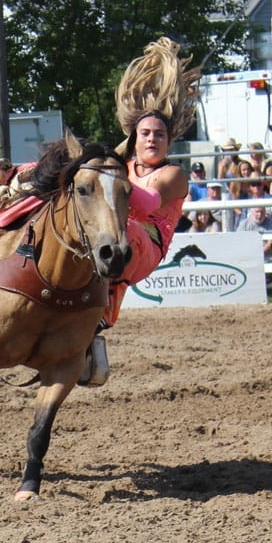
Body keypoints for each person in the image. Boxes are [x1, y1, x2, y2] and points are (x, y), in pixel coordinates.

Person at [93, 38, 200, 381]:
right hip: (116, 233)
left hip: (146, 243)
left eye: (159, 134)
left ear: (169, 141)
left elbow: (145, 202)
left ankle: (99, 315)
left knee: (124, 233)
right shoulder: (120, 166)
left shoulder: (173, 175)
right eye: (146, 133)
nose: (152, 139)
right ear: (134, 138)